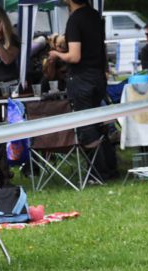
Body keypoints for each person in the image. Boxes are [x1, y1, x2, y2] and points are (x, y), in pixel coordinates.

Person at [49, 0, 118, 180]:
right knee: (101, 125)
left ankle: (97, 173)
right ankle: (110, 169)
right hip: (97, 77)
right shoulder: (95, 16)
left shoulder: (74, 20)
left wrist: (56, 54)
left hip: (81, 79)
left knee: (86, 127)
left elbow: (74, 56)